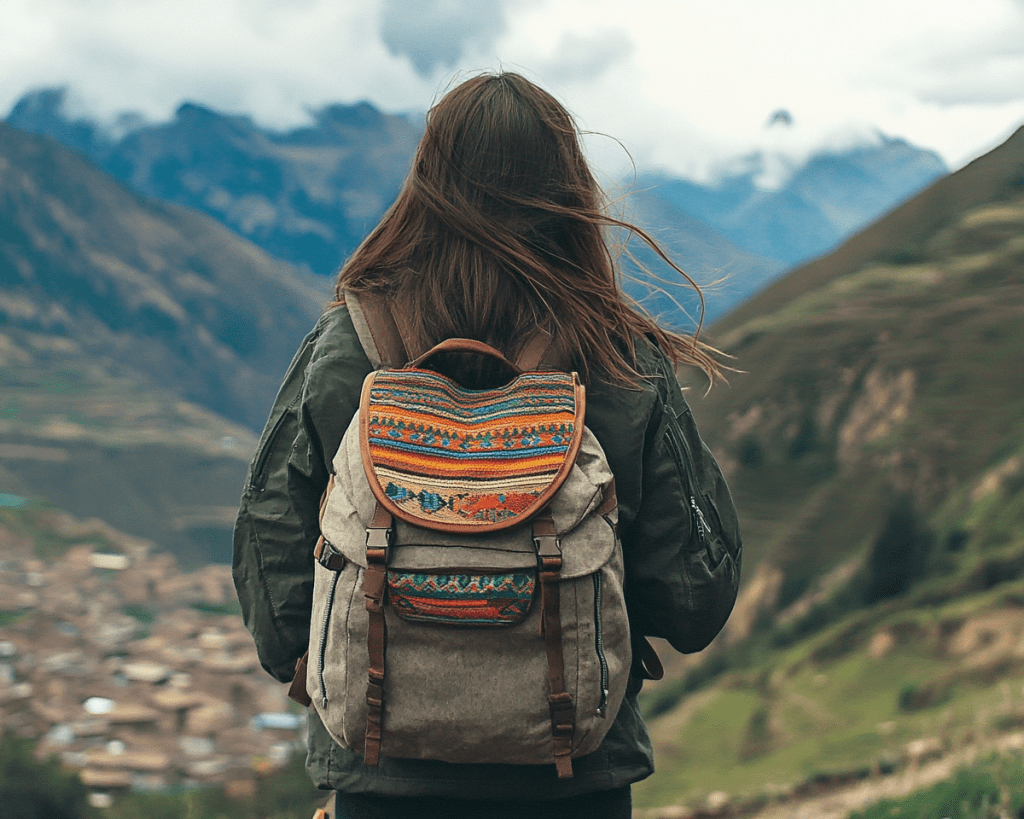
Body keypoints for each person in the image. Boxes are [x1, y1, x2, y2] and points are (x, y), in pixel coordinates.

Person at [233, 71, 741, 819]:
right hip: (575, 778)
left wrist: (319, 665)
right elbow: (697, 591)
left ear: (427, 184)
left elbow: (268, 539)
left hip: (383, 776)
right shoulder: (617, 355)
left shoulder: (351, 343)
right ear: (570, 191)